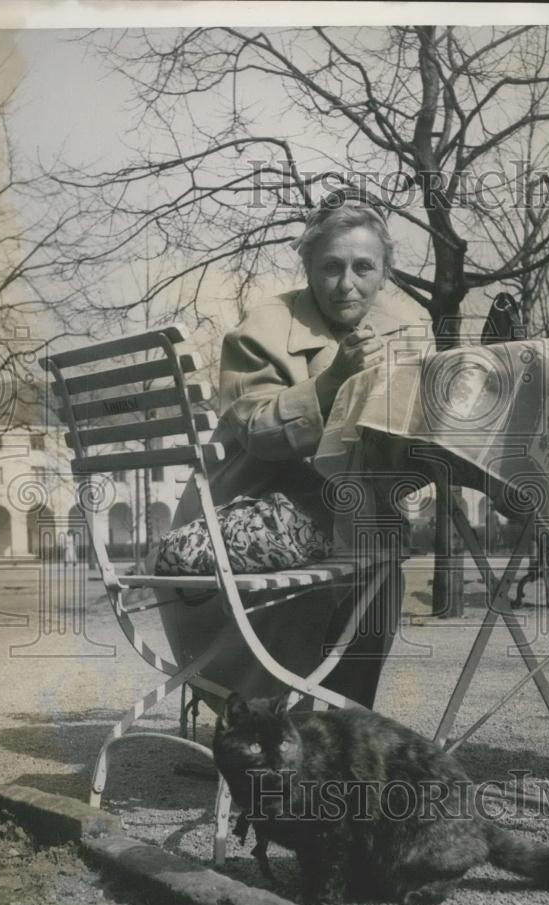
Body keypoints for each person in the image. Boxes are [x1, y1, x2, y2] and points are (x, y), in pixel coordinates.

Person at [159, 188, 424, 711]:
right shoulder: (263, 327)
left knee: (376, 529)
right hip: (244, 519)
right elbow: (257, 430)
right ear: (308, 267)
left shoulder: (406, 333)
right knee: (370, 534)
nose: (347, 284)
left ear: (385, 270)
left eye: (364, 267)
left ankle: (337, 725)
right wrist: (332, 382)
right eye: (330, 267)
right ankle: (307, 725)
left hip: (343, 517)